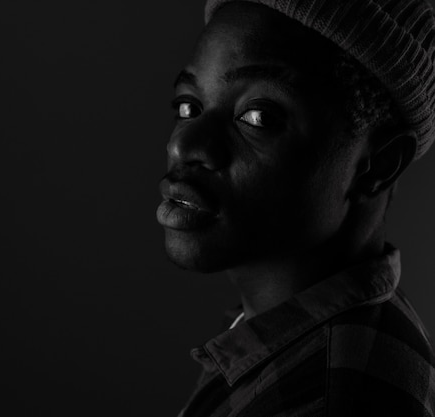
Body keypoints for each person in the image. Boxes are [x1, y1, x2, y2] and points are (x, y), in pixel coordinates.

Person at [156, 0, 435, 415]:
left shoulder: (334, 397)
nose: (184, 144)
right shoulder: (280, 341)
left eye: (257, 116)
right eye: (188, 107)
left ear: (376, 165)